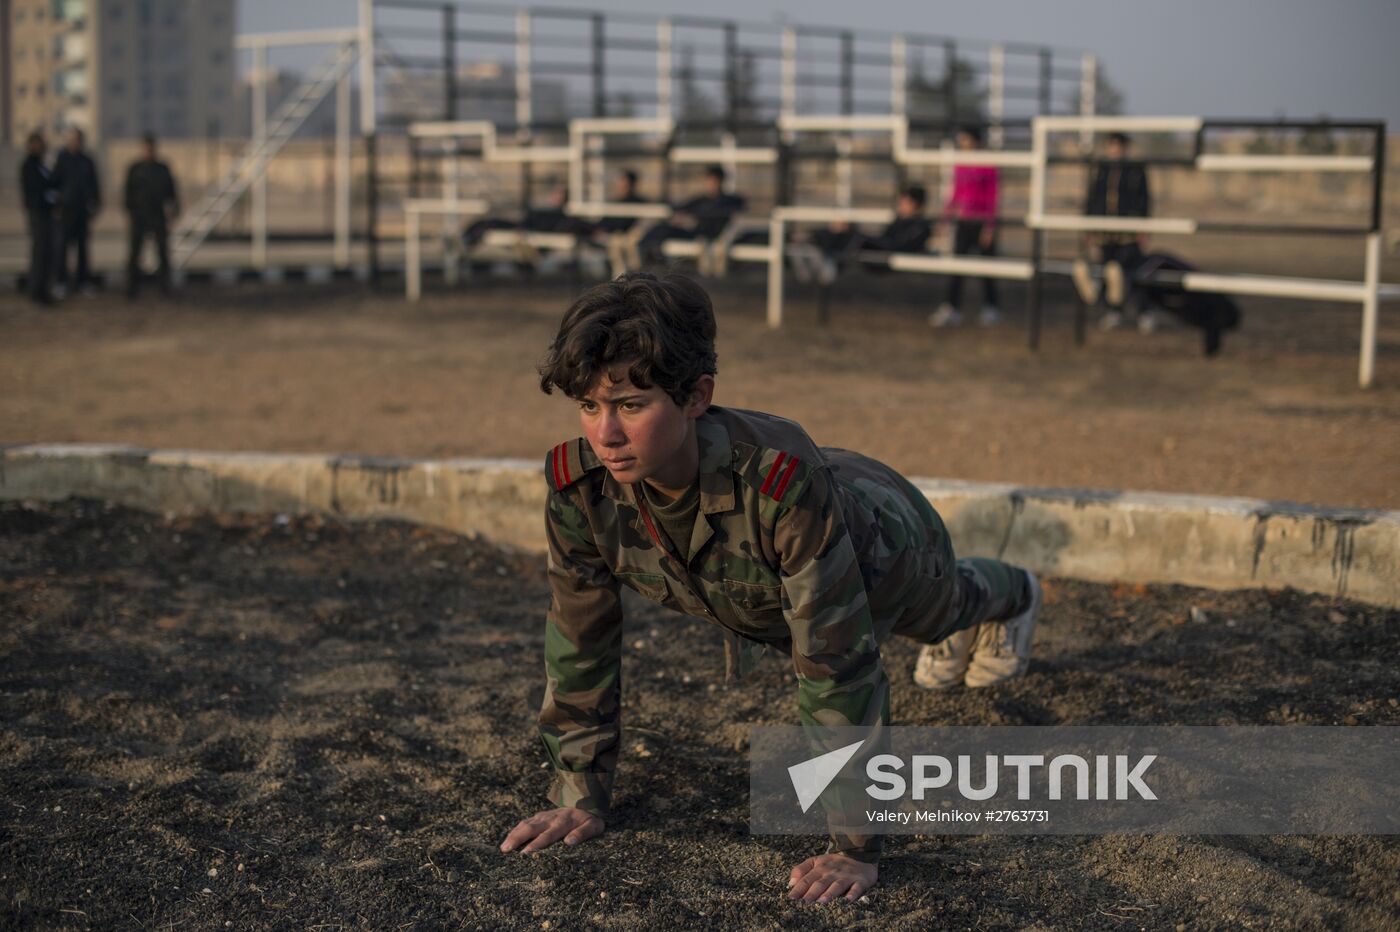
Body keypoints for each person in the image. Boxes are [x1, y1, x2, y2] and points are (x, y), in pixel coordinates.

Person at [499, 272, 1043, 903]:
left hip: (884, 546)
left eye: (630, 405)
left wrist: (854, 848)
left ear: (698, 395)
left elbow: (835, 665)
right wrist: (579, 794)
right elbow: (579, 638)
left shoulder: (781, 490)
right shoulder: (582, 489)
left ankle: (1019, 593)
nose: (605, 435)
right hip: (774, 583)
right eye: (590, 406)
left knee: (946, 610)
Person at [1072, 132, 1153, 331]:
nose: (1115, 149)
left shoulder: (1135, 170)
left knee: (1131, 271)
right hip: (1104, 232)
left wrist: (1144, 228)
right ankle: (1113, 310)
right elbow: (1092, 199)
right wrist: (1089, 227)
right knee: (1108, 270)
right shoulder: (1101, 169)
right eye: (1112, 145)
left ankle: (1143, 312)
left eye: (1118, 146)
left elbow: (1144, 201)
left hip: (1128, 232)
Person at [929, 126, 1002, 328]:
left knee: (987, 268)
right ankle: (951, 307)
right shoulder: (961, 164)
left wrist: (990, 227)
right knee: (957, 267)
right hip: (964, 222)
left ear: (976, 141)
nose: (962, 145)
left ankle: (991, 307)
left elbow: (993, 198)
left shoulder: (988, 164)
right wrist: (944, 220)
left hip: (982, 222)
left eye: (966, 140)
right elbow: (955, 195)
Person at [793, 185, 932, 285]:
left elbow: (897, 244)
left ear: (915, 204)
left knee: (854, 236)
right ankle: (812, 243)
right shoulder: (900, 220)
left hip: (889, 253)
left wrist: (862, 235)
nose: (900, 205)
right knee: (846, 231)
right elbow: (886, 238)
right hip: (883, 249)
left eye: (904, 202)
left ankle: (828, 259)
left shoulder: (919, 225)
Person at [637, 165, 745, 268]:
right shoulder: (701, 200)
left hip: (713, 237)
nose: (711, 184)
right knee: (663, 228)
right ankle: (648, 252)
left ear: (721, 182)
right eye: (709, 181)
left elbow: (734, 214)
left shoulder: (729, 201)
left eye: (714, 181)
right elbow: (680, 208)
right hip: (697, 234)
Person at [123, 133, 179, 299]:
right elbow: (128, 193)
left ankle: (165, 286)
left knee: (162, 251)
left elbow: (172, 191)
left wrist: (174, 210)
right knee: (135, 252)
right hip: (139, 215)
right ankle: (132, 287)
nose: (149, 151)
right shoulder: (135, 169)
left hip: (158, 215)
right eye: (146, 148)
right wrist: (130, 212)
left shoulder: (162, 169)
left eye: (151, 148)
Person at [53, 128, 102, 296]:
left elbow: (95, 186)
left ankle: (83, 281)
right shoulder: (62, 160)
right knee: (62, 249)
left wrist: (95, 206)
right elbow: (54, 184)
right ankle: (61, 282)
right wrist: (56, 206)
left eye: (78, 139)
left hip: (83, 212)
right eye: (72, 139)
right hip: (66, 212)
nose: (75, 143)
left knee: (83, 249)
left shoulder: (87, 161)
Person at [19, 131, 58, 306]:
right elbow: (36, 191)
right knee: (40, 253)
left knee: (47, 253)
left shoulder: (43, 165)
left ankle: (43, 289)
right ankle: (37, 290)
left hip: (46, 215)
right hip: (38, 214)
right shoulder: (29, 166)